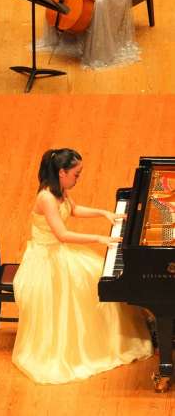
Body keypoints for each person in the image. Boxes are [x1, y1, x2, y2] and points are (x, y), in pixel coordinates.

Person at [12, 148, 152, 384]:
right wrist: (99, 238)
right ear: (62, 172)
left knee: (98, 274)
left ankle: (107, 335)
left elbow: (74, 210)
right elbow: (62, 235)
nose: (78, 178)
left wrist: (104, 213)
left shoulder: (59, 189)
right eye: (76, 174)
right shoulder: (46, 198)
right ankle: (93, 343)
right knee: (92, 280)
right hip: (46, 258)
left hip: (58, 252)